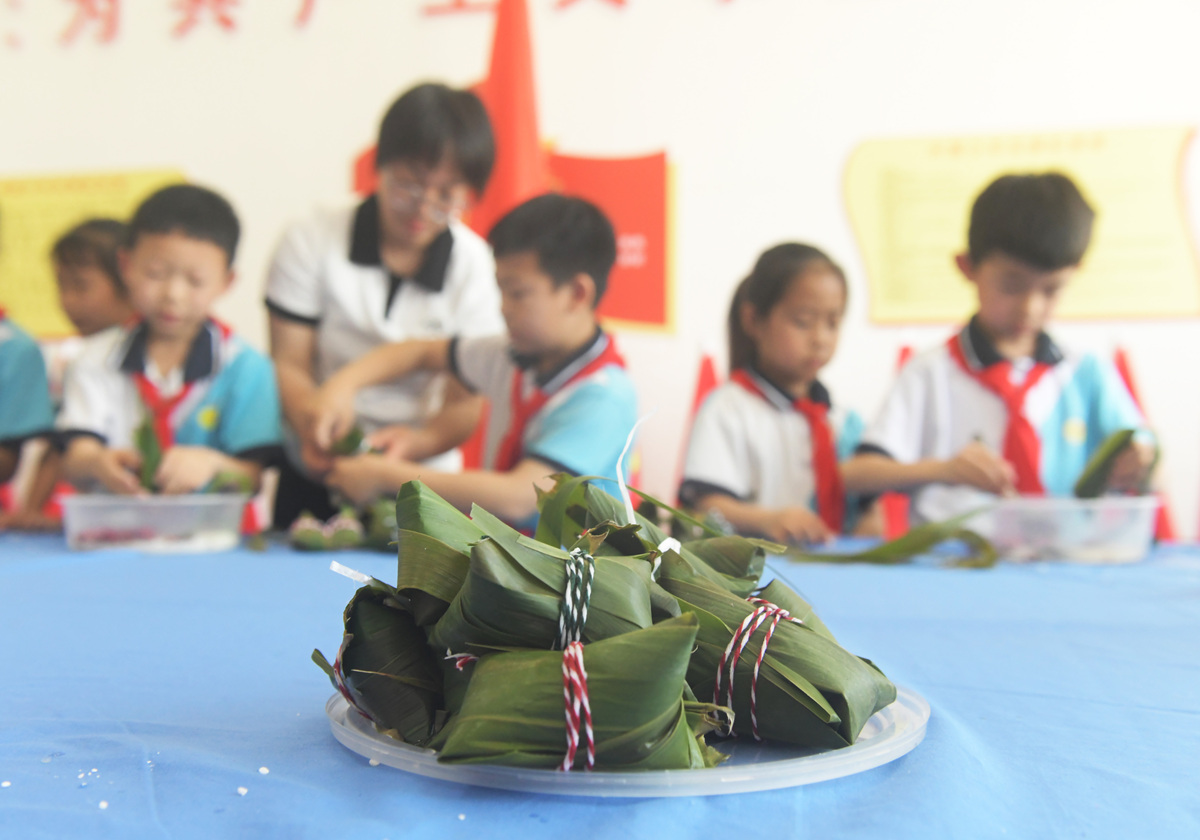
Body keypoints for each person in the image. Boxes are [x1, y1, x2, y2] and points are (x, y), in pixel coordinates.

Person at [309, 193, 638, 530]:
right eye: (500, 291)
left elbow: (520, 496)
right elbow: (421, 353)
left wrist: (386, 476)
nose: (503, 308)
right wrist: (341, 386)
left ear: (577, 293)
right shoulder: (511, 356)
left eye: (518, 293)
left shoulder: (603, 396)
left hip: (568, 580)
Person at [842, 172, 1155, 523]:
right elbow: (855, 475)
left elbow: (1142, 448)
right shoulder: (930, 371)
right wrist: (943, 469)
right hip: (954, 564)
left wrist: (1139, 459)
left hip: (1065, 562)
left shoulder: (1086, 372)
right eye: (1011, 285)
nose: (1030, 308)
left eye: (1051, 290)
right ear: (967, 267)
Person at [264, 82, 503, 528]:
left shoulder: (476, 269)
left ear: (468, 194)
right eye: (408, 186)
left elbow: (462, 404)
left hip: (417, 476)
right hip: (313, 462)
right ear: (378, 166)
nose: (421, 209)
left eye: (446, 197)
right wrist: (312, 423)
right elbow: (289, 361)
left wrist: (414, 444)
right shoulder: (311, 237)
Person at [58, 184, 281, 495]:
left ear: (227, 282)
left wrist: (214, 466)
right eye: (155, 273)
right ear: (126, 265)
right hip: (116, 531)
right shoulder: (93, 360)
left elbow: (253, 477)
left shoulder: (247, 368)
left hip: (216, 537)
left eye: (195, 281)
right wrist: (96, 462)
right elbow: (75, 458)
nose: (173, 295)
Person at [677, 243, 874, 545]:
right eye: (803, 322)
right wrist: (769, 520)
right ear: (754, 320)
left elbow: (869, 509)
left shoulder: (843, 420)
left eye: (833, 322)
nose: (820, 338)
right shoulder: (727, 410)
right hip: (757, 581)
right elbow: (705, 506)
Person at [0, 219, 135, 530]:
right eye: (61, 285)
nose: (67, 300)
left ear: (129, 280)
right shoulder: (76, 358)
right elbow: (59, 446)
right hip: (90, 512)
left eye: (81, 285)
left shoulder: (146, 353)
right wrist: (30, 511)